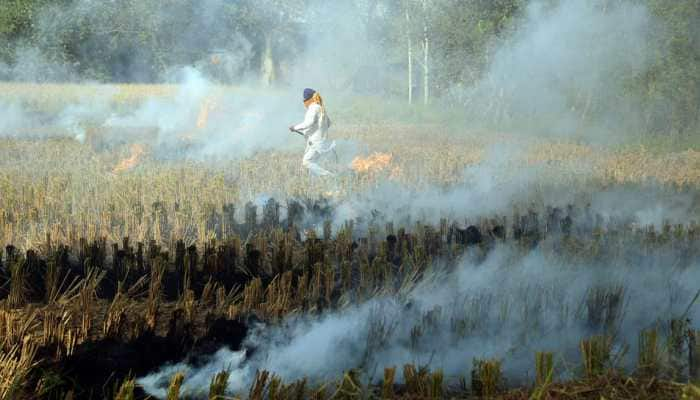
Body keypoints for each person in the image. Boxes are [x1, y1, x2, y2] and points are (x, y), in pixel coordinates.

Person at [289, 88, 336, 177]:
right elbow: (328, 123)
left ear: (308, 99)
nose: (304, 102)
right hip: (319, 141)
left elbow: (308, 123)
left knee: (306, 162)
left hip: (316, 142)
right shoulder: (320, 107)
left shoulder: (313, 108)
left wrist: (295, 127)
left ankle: (329, 176)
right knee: (312, 164)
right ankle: (314, 182)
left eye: (304, 100)